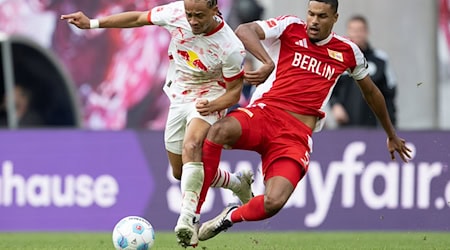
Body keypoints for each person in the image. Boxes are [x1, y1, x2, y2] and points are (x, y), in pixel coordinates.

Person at [193, 0, 412, 242]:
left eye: (322, 16)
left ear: (335, 18)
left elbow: (372, 92)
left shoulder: (348, 51)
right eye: (311, 14)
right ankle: (193, 216)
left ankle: (229, 217)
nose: (314, 21)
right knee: (218, 132)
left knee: (274, 202)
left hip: (295, 136)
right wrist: (267, 62)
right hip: (265, 114)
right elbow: (244, 30)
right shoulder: (290, 27)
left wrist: (390, 134)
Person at [61, 0, 254, 247]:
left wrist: (216, 105)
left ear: (215, 10)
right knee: (180, 172)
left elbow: (234, 93)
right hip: (179, 95)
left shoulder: (230, 47)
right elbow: (138, 19)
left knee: (192, 144)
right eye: (189, 14)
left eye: (199, 16)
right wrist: (92, 23)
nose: (192, 21)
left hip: (210, 97)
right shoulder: (175, 13)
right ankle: (235, 182)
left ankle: (187, 219)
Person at [329, 15, 397, 128]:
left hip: (374, 125)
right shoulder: (338, 59)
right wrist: (335, 105)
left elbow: (390, 91)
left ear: (366, 32)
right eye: (353, 30)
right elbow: (330, 88)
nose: (356, 34)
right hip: (345, 125)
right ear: (348, 32)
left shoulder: (380, 59)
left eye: (360, 30)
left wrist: (389, 121)